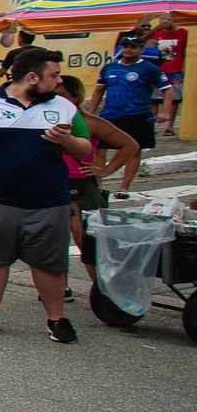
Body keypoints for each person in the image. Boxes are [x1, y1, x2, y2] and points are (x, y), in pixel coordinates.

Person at [0, 47, 94, 342]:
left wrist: (67, 140)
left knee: (49, 263)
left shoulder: (64, 108)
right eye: (53, 75)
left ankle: (57, 319)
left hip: (48, 203)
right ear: (31, 77)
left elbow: (85, 148)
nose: (58, 81)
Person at [58, 76, 139, 294]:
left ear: (74, 97)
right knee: (55, 237)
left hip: (81, 184)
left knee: (84, 237)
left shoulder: (90, 122)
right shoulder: (44, 118)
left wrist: (105, 170)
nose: (55, 96)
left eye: (61, 93)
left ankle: (101, 289)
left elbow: (129, 145)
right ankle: (60, 287)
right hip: (52, 184)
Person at [88, 37, 165, 199]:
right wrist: (90, 113)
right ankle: (98, 185)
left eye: (133, 47)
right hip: (109, 114)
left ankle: (124, 187)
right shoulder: (109, 68)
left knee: (134, 150)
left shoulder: (149, 68)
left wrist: (165, 111)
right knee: (99, 149)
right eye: (126, 46)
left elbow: (168, 89)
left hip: (137, 115)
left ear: (141, 49)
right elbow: (98, 91)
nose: (128, 49)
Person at [152, 23, 186, 135]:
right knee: (154, 100)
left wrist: (184, 70)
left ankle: (169, 126)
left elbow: (186, 52)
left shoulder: (184, 33)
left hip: (175, 70)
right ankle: (151, 126)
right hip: (158, 69)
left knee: (174, 100)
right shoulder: (156, 33)